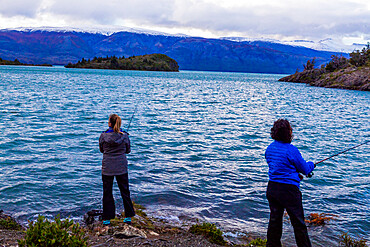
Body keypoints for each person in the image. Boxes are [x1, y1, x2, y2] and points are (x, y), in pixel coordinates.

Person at [265, 119, 315, 247]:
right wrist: (311, 165)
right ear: (288, 133)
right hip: (289, 192)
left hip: (272, 188)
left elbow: (277, 166)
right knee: (299, 224)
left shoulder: (270, 148)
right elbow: (305, 169)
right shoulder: (291, 150)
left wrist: (294, 173)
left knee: (275, 221)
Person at [99, 114, 135, 225]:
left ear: (110, 123)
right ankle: (128, 216)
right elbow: (128, 151)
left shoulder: (103, 136)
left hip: (107, 167)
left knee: (107, 192)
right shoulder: (124, 136)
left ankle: (107, 218)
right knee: (125, 191)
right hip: (121, 167)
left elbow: (101, 150)